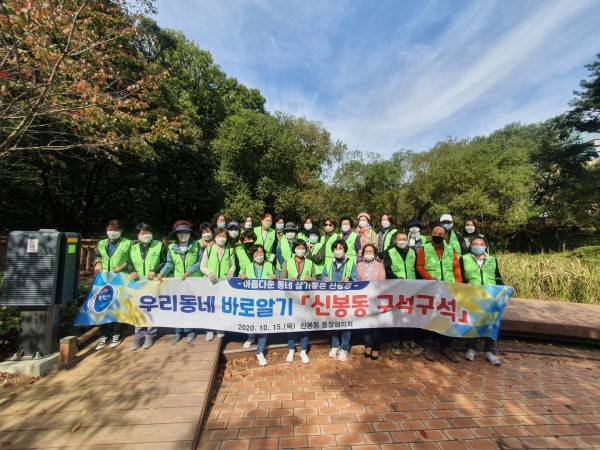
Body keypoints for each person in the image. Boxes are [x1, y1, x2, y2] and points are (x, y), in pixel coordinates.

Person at [415, 225, 463, 363]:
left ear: (445, 236)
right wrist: (429, 278)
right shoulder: (424, 249)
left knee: (447, 316)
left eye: (441, 234)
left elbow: (456, 269)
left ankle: (446, 346)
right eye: (435, 233)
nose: (438, 235)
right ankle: (429, 345)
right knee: (431, 316)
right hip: (431, 288)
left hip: (449, 288)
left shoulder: (451, 250)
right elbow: (419, 266)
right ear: (431, 235)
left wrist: (458, 285)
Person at [460, 237, 503, 366]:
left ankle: (489, 351)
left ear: (485, 246)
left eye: (481, 244)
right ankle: (470, 348)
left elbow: (497, 277)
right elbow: (460, 276)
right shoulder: (464, 258)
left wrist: (502, 288)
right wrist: (465, 283)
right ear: (470, 246)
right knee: (473, 321)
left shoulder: (492, 260)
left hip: (491, 296)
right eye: (475, 244)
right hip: (472, 295)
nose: (478, 246)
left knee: (491, 322)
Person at [158, 220, 202, 345]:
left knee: (191, 306)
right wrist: (162, 272)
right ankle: (178, 331)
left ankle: (190, 331)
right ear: (176, 234)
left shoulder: (196, 245)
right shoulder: (172, 247)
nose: (183, 235)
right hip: (178, 282)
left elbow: (200, 261)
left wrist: (189, 271)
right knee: (178, 306)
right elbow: (169, 263)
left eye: (186, 232)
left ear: (190, 233)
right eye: (180, 233)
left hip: (193, 281)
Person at [128, 223, 166, 350]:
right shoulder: (133, 248)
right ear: (137, 235)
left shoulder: (159, 245)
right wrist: (131, 271)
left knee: (152, 307)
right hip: (137, 282)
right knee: (138, 307)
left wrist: (155, 271)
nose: (146, 235)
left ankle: (150, 334)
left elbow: (164, 261)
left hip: (152, 281)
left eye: (148, 232)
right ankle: (138, 335)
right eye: (142, 233)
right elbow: (129, 263)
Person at [93, 219, 131, 350]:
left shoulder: (127, 243)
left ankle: (117, 333)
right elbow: (96, 255)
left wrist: (123, 265)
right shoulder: (102, 243)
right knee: (103, 305)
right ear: (106, 230)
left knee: (117, 306)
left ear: (121, 231)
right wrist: (97, 262)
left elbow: (132, 259)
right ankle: (104, 334)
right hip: (103, 278)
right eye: (110, 230)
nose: (112, 232)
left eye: (115, 230)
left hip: (119, 278)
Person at [383, 231, 422, 356]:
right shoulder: (389, 252)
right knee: (396, 314)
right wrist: (395, 278)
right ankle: (395, 340)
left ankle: (408, 339)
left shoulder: (413, 252)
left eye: (404, 239)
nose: (402, 241)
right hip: (396, 288)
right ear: (395, 241)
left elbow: (417, 269)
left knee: (410, 314)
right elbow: (387, 270)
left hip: (411, 288)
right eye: (399, 239)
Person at [239, 244, 277, 365]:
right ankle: (250, 338)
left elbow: (279, 276)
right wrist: (241, 276)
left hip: (265, 301)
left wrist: (275, 276)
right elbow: (239, 277)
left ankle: (260, 351)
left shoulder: (270, 266)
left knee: (263, 325)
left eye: (261, 252)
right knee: (250, 321)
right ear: (252, 255)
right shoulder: (248, 267)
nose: (259, 255)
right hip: (251, 300)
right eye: (256, 253)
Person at [323, 239, 358, 362]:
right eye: (336, 248)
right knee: (333, 322)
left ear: (345, 250)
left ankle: (344, 348)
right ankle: (335, 345)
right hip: (331, 297)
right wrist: (325, 278)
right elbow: (323, 276)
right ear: (333, 250)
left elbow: (356, 279)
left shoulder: (351, 263)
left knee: (346, 323)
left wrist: (349, 279)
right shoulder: (328, 262)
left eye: (341, 248)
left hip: (345, 298)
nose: (338, 251)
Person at [281, 240, 315, 364]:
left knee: (304, 324)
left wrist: (310, 278)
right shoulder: (287, 262)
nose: (301, 250)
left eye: (303, 248)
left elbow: (315, 278)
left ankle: (303, 350)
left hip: (306, 298)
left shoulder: (310, 263)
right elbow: (282, 278)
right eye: (298, 247)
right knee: (291, 323)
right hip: (291, 298)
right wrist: (289, 280)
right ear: (294, 249)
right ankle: (291, 348)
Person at [200, 227, 236, 341]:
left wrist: (231, 271)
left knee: (220, 306)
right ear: (215, 237)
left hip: (223, 283)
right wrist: (209, 272)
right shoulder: (209, 249)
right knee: (209, 306)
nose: (221, 238)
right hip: (210, 282)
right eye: (219, 236)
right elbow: (202, 266)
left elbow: (233, 265)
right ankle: (209, 329)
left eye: (224, 236)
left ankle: (219, 328)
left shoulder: (230, 250)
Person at [357, 244, 385, 360]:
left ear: (375, 253)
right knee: (365, 324)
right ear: (363, 254)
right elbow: (356, 281)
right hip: (362, 299)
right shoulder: (359, 265)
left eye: (371, 251)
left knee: (376, 325)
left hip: (375, 299)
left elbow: (382, 281)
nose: (369, 253)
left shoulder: (379, 266)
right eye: (366, 252)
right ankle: (368, 345)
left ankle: (376, 348)